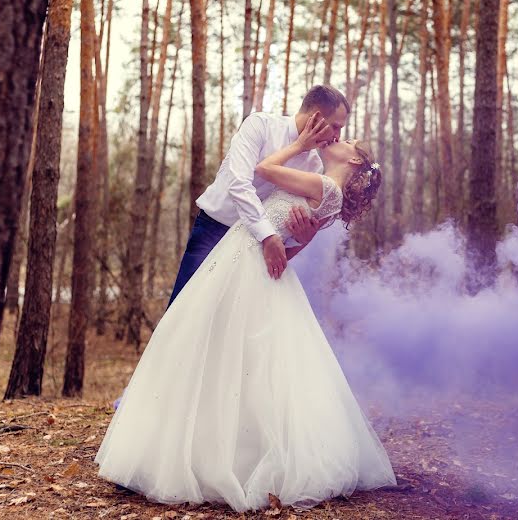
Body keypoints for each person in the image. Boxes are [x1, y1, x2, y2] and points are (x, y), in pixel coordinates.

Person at [95, 115, 395, 512]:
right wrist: (293, 237)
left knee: (221, 344)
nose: (337, 139)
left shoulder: (324, 185)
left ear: (354, 161)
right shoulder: (330, 194)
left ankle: (222, 453)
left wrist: (300, 146)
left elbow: (264, 170)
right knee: (235, 350)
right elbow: (292, 250)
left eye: (346, 139)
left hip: (248, 260)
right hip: (251, 257)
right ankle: (228, 446)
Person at [166, 85, 351, 308]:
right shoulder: (260, 125)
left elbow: (286, 216)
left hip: (253, 251)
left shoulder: (313, 165)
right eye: (336, 127)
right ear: (317, 118)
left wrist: (301, 236)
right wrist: (268, 236)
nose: (337, 137)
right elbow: (239, 184)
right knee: (183, 310)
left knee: (227, 322)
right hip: (214, 230)